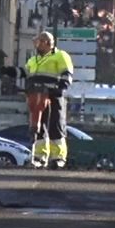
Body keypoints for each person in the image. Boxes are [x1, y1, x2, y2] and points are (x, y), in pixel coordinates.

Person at [23, 31, 75, 170]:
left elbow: (67, 74)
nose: (35, 44)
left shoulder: (60, 56)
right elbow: (26, 75)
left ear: (46, 43)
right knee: (38, 126)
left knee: (55, 126)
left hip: (53, 96)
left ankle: (58, 158)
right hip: (37, 95)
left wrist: (59, 88)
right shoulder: (33, 59)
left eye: (38, 42)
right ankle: (39, 157)